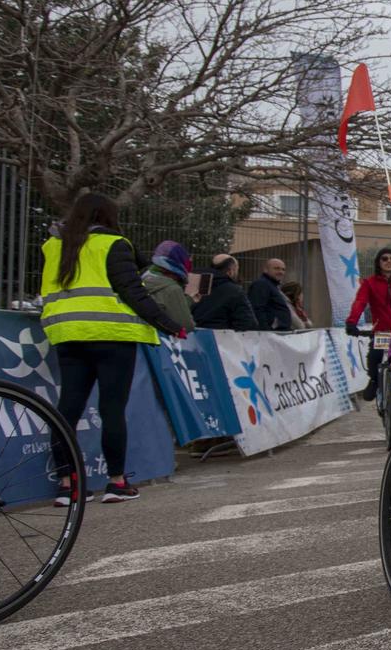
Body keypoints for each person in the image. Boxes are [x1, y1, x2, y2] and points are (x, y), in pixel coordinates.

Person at [38, 193, 185, 503]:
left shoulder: (53, 245)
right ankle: (116, 482)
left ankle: (67, 485)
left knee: (68, 408)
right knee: (111, 409)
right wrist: (169, 324)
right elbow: (133, 292)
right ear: (107, 216)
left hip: (67, 332)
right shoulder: (113, 244)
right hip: (111, 335)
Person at [347, 246, 391, 401]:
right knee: (375, 355)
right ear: (378, 262)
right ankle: (374, 380)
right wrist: (352, 322)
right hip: (382, 330)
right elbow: (360, 302)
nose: (389, 261)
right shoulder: (370, 283)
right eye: (385, 258)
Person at [194, 254, 259, 331]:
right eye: (237, 269)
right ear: (230, 271)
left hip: (190, 338)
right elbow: (248, 323)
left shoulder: (193, 285)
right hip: (221, 339)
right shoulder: (235, 291)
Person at [142, 241, 195, 335]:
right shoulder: (172, 289)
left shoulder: (139, 279)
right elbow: (185, 326)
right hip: (157, 344)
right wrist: (190, 300)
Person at [248, 256, 295, 332]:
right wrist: (266, 332)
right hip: (270, 335)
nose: (281, 272)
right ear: (266, 270)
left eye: (283, 269)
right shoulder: (261, 284)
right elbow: (257, 309)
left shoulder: (272, 286)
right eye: (276, 268)